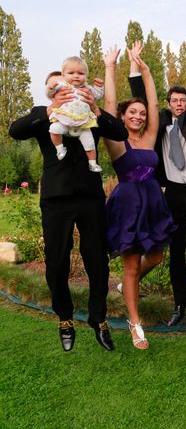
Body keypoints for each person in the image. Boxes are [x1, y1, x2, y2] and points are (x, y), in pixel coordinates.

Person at [9, 68, 128, 352]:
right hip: (56, 199)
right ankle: (64, 318)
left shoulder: (88, 108)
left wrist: (96, 109)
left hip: (90, 198)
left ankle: (98, 319)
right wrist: (51, 108)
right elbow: (15, 130)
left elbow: (121, 132)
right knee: (56, 262)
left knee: (98, 262)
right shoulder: (45, 113)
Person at [128, 32, 186, 329]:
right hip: (173, 194)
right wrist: (135, 67)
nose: (179, 104)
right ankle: (180, 303)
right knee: (175, 253)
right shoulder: (161, 121)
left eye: (183, 100)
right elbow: (140, 100)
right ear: (168, 103)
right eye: (174, 100)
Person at [102, 44, 174, 350]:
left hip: (153, 205)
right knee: (131, 266)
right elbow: (107, 104)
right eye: (132, 112)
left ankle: (125, 286)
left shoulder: (148, 137)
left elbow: (155, 105)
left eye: (142, 113)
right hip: (129, 207)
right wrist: (110, 66)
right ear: (122, 115)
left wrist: (145, 70)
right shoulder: (116, 141)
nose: (139, 116)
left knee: (155, 257)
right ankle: (135, 323)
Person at [47, 56, 104, 172]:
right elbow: (50, 94)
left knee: (90, 143)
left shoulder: (87, 89)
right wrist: (51, 87)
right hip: (64, 120)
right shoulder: (62, 86)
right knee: (53, 129)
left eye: (81, 73)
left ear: (86, 76)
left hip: (83, 123)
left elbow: (98, 95)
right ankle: (59, 148)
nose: (76, 76)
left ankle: (92, 163)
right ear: (63, 75)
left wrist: (99, 87)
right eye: (71, 73)